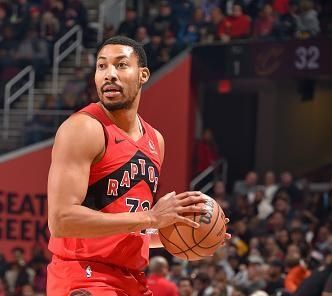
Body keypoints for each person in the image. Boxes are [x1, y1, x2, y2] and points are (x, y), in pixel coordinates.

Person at [47, 36, 230, 295]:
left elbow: (131, 231)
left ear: (143, 75)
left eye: (121, 65)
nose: (109, 74)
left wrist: (191, 234)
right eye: (102, 66)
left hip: (131, 278)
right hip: (85, 276)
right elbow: (61, 220)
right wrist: (151, 217)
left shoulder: (156, 140)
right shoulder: (83, 128)